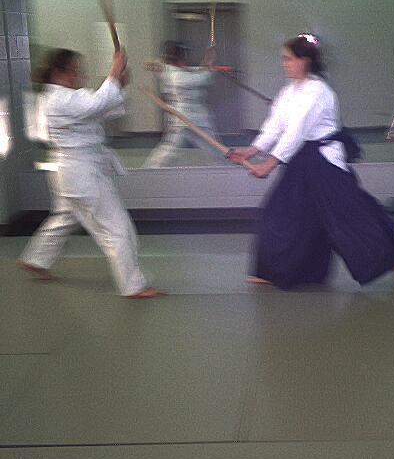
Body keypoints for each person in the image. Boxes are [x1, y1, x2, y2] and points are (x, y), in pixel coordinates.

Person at [229, 35, 394, 290]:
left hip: (324, 162)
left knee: (352, 217)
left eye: (288, 59)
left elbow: (296, 132)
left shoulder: (318, 91)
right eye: (284, 59)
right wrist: (252, 151)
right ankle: (272, 271)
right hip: (301, 160)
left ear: (305, 61)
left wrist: (268, 165)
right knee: (279, 213)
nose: (284, 64)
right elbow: (275, 126)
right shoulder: (288, 91)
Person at [17, 48, 164, 299]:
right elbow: (96, 104)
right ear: (59, 73)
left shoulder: (60, 97)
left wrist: (118, 84)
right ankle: (133, 286)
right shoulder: (59, 100)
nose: (80, 75)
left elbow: (102, 109)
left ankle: (36, 258)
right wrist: (114, 72)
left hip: (69, 173)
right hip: (81, 174)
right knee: (117, 228)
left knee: (65, 217)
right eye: (75, 71)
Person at [143, 41, 233, 167]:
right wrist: (210, 60)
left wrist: (211, 61)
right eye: (184, 56)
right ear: (178, 58)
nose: (187, 58)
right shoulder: (176, 76)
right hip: (186, 118)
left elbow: (196, 70)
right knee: (170, 150)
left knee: (212, 148)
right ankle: (150, 169)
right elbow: (201, 78)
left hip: (191, 118)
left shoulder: (170, 69)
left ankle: (225, 168)